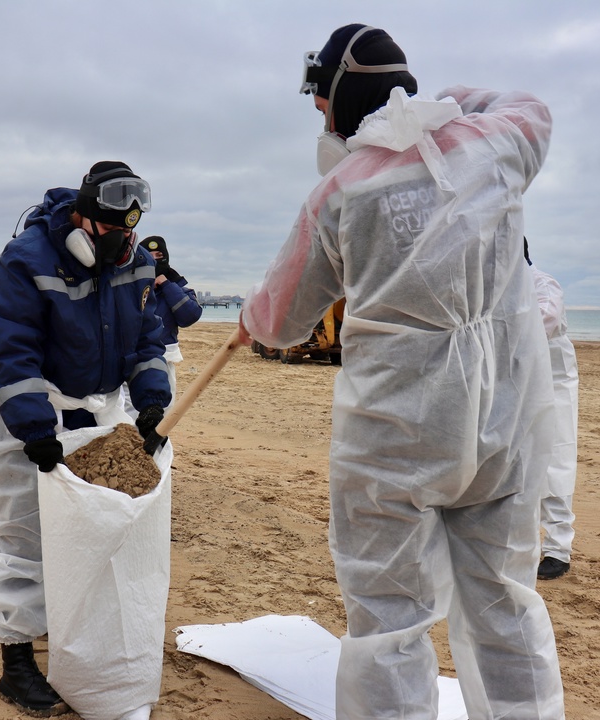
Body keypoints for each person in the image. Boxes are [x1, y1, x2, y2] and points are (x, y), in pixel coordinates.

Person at [239, 24, 565, 719]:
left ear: (340, 96)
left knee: (389, 620)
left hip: (394, 434)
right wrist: (450, 101)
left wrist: (251, 318)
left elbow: (280, 321)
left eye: (321, 103)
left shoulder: (340, 192)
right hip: (502, 422)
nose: (320, 119)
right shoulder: (495, 145)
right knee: (505, 603)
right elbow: (530, 105)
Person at [0, 160, 172, 715]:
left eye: (129, 233)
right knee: (24, 529)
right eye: (111, 233)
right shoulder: (27, 260)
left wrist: (152, 402)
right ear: (84, 221)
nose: (121, 244)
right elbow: (12, 351)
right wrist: (35, 431)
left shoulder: (134, 261)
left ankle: (82, 638)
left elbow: (147, 340)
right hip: (22, 401)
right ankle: (16, 662)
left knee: (94, 526)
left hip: (92, 404)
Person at [526, 239, 580, 581]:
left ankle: (559, 549)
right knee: (522, 467)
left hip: (555, 385)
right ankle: (526, 546)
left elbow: (545, 318)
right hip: (520, 384)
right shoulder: (494, 288)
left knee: (556, 463)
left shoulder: (542, 284)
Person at [138, 235, 203, 404]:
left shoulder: (177, 288)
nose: (155, 260)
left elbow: (189, 316)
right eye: (149, 256)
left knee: (162, 411)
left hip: (165, 358)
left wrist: (167, 285)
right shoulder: (129, 286)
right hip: (131, 358)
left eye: (159, 256)